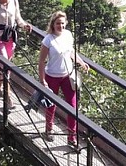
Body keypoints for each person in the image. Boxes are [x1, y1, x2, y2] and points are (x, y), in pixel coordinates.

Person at [37, 10, 90, 147]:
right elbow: (41, 61)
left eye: (62, 23)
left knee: (72, 107)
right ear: (53, 24)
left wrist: (81, 62)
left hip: (67, 76)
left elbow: (71, 51)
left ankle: (71, 138)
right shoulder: (48, 40)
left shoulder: (68, 35)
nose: (60, 26)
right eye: (58, 23)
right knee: (51, 105)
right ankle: (49, 129)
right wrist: (42, 80)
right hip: (52, 76)